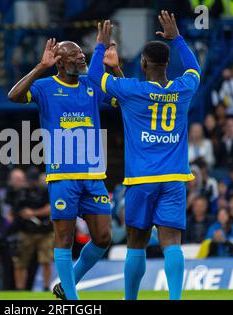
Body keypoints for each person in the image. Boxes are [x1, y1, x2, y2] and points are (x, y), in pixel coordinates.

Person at [88, 12, 201, 300]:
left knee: (136, 243)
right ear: (166, 64)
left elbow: (93, 77)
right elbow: (194, 68)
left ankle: (130, 299)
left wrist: (100, 46)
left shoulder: (131, 90)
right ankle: (175, 299)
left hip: (141, 180)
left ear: (144, 63)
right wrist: (177, 40)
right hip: (175, 178)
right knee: (172, 243)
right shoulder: (183, 89)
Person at [8, 34, 123, 299]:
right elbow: (14, 96)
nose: (82, 57)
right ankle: (72, 299)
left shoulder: (92, 84)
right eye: (75, 55)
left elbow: (122, 97)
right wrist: (39, 67)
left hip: (94, 175)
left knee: (103, 238)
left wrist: (115, 67)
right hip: (63, 176)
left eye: (83, 54)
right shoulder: (45, 86)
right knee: (63, 238)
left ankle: (67, 283)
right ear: (60, 62)